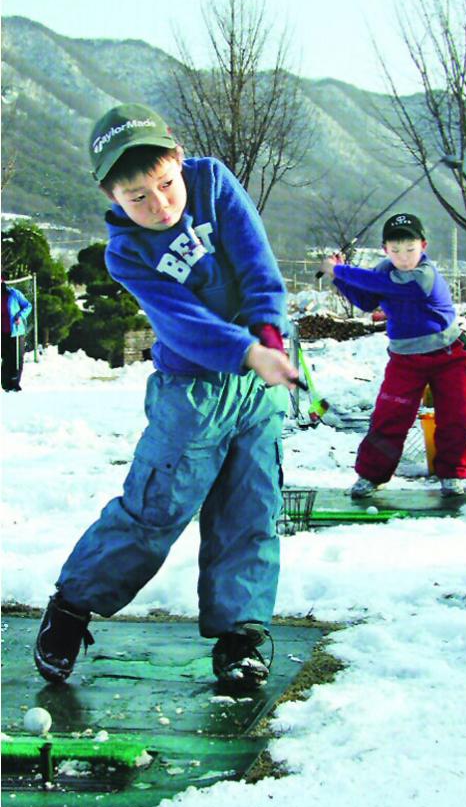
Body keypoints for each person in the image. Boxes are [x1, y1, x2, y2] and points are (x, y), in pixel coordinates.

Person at [34, 103, 299, 691]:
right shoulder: (126, 253)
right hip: (192, 390)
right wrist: (249, 351)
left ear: (179, 160)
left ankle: (241, 635)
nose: (159, 205)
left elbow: (257, 264)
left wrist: (271, 332)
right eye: (138, 198)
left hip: (259, 381)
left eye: (165, 184)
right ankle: (73, 605)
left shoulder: (212, 183)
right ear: (111, 196)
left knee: (251, 508)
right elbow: (181, 324)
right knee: (156, 508)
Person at [318, 212, 466, 498]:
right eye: (395, 251)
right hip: (405, 361)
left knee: (456, 415)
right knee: (389, 417)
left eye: (410, 250)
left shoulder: (424, 275)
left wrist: (341, 271)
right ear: (385, 250)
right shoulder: (383, 271)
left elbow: (388, 287)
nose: (403, 257)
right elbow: (366, 299)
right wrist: (337, 276)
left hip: (447, 357)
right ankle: (371, 475)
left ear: (423, 246)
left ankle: (452, 473)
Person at [1, 277, 32, 392]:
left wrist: (20, 316)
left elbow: (27, 306)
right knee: (6, 358)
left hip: (16, 331)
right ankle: (5, 383)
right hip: (2, 332)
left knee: (17, 358)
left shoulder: (14, 294)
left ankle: (15, 383)